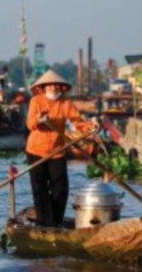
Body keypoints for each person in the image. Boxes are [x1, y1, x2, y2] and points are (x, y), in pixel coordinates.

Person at [26, 70, 94, 227]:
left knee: (60, 189)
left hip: (57, 151)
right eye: (50, 85)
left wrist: (91, 126)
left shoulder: (65, 103)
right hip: (36, 150)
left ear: (61, 87)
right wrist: (39, 118)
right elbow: (30, 124)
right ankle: (44, 223)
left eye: (56, 85)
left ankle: (55, 222)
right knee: (40, 188)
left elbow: (78, 122)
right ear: (44, 87)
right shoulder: (36, 101)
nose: (53, 87)